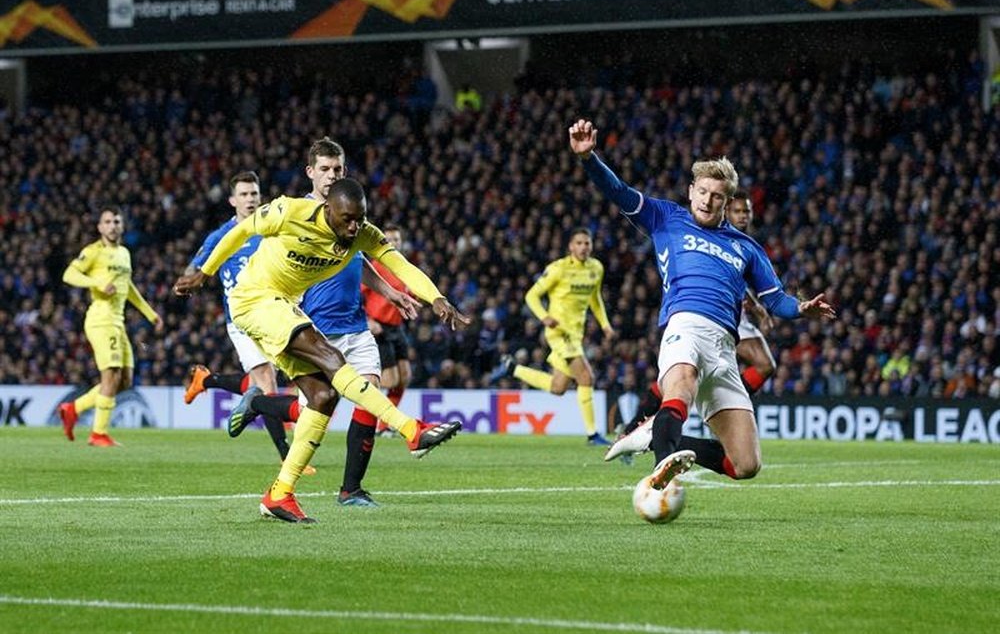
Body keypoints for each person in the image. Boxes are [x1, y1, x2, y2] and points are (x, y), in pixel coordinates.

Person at [172, 177, 469, 524]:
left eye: (359, 218)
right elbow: (240, 232)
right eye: (346, 218)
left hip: (286, 304)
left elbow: (400, 265)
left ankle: (279, 494)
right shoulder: (289, 211)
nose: (353, 226)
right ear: (328, 209)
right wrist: (204, 272)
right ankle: (410, 430)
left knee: (322, 396)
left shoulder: (361, 233)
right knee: (330, 358)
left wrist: (435, 297)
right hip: (253, 299)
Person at [568, 118, 835, 493]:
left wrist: (801, 308)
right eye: (703, 192)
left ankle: (653, 438)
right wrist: (589, 158)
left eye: (718, 197)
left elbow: (775, 300)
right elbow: (619, 192)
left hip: (725, 348)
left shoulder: (746, 247)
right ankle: (659, 478)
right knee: (681, 384)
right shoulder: (665, 217)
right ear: (691, 191)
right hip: (685, 326)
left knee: (745, 464)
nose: (708, 201)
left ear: (728, 202)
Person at [232, 138, 420, 508]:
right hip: (315, 324)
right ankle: (259, 405)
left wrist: (388, 291)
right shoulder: (295, 216)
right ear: (311, 173)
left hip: (355, 323)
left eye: (338, 169)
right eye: (326, 170)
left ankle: (351, 488)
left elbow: (358, 257)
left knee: (367, 395)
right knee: (316, 405)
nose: (333, 175)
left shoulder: (350, 214)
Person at [181, 171, 313, 472]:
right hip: (240, 318)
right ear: (232, 201)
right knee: (267, 382)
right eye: (244, 194)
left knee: (265, 382)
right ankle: (287, 456)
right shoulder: (221, 237)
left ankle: (207, 380)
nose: (250, 199)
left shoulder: (270, 230)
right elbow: (194, 269)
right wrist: (187, 282)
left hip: (272, 313)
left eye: (254, 193)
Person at [492, 227, 615, 446]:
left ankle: (513, 369)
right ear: (570, 246)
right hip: (559, 333)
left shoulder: (596, 268)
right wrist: (544, 317)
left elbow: (595, 299)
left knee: (558, 387)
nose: (584, 247)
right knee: (586, 377)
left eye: (587, 243)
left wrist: (605, 325)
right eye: (579, 243)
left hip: (577, 334)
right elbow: (531, 295)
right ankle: (592, 435)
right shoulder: (558, 269)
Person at [58, 206, 163, 446]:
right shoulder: (93, 251)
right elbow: (69, 274)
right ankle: (98, 433)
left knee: (124, 380)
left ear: (122, 225)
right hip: (101, 320)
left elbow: (129, 287)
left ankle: (73, 408)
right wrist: (97, 283)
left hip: (118, 322)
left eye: (116, 221)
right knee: (111, 375)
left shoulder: (124, 253)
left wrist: (150, 314)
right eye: (107, 221)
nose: (112, 225)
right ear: (100, 227)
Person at [362, 223, 414, 438]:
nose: (394, 243)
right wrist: (368, 321)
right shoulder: (375, 266)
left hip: (397, 327)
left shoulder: (404, 268)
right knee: (389, 380)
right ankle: (370, 419)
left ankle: (384, 427)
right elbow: (358, 296)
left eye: (397, 240)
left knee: (405, 377)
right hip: (379, 327)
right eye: (390, 240)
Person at [725, 191, 777, 396]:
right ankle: (634, 426)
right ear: (726, 212)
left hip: (738, 314)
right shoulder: (721, 236)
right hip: (716, 310)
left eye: (746, 211)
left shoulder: (747, 244)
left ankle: (730, 404)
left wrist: (759, 311)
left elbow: (742, 283)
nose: (742, 216)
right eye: (737, 211)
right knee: (685, 376)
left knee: (765, 364)